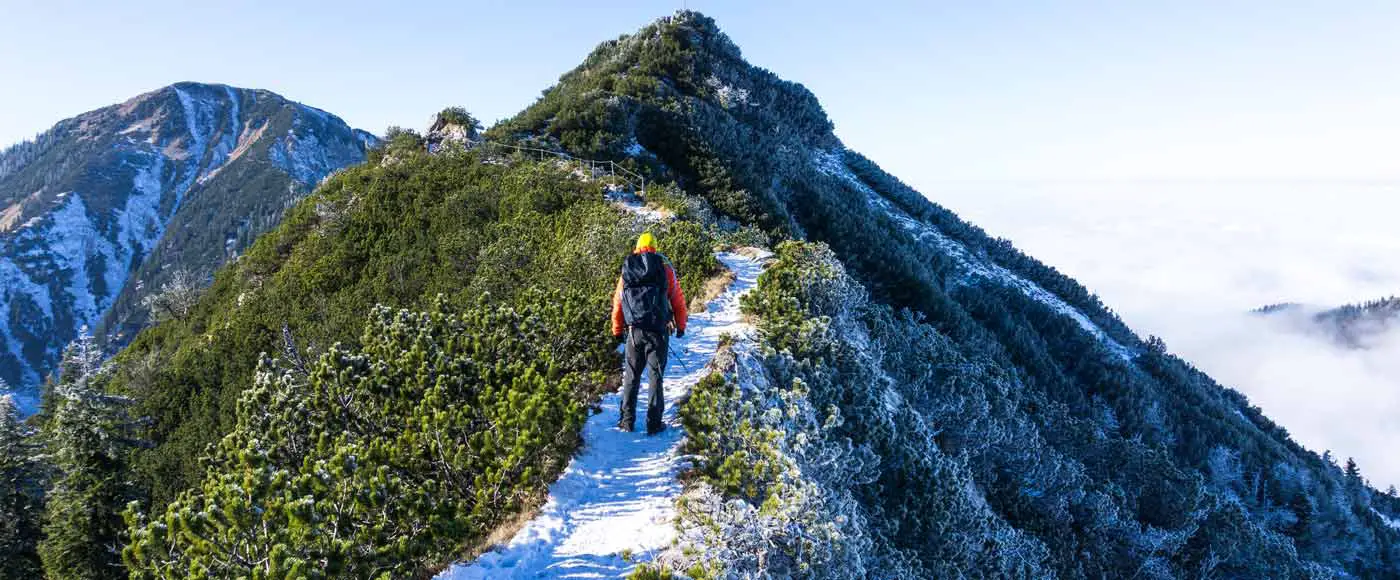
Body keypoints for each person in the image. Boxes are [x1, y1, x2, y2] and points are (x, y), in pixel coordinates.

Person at [610, 232, 688, 434]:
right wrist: (681, 326)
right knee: (655, 377)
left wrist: (617, 328)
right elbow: (678, 301)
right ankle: (654, 424)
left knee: (631, 377)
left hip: (634, 331)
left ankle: (626, 422)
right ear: (655, 247)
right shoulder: (664, 270)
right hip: (659, 333)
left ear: (637, 247)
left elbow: (618, 303)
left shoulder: (628, 271)